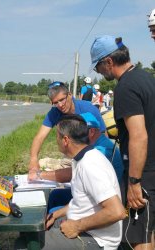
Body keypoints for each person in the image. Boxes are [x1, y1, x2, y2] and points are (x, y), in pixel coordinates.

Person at [90, 35, 155, 249]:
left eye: (98, 66)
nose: (99, 72)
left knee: (138, 238)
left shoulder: (125, 87)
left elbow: (139, 135)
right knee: (149, 229)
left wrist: (134, 183)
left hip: (143, 173)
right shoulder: (146, 78)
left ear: (109, 62)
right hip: (151, 168)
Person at [43, 114, 126, 250]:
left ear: (65, 140)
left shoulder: (90, 165)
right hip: (85, 228)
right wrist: (55, 215)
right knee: (37, 230)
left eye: (57, 136)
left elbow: (117, 212)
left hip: (97, 239)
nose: (56, 140)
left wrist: (76, 226)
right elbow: (81, 203)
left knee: (27, 244)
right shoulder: (80, 158)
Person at [28, 112, 124, 212]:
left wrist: (39, 174)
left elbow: (71, 173)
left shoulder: (100, 152)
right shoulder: (89, 149)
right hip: (93, 194)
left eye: (78, 131)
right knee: (55, 195)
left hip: (100, 201)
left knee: (53, 211)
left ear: (91, 132)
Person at [28, 81, 106, 174]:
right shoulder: (54, 112)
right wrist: (33, 159)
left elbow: (104, 135)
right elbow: (39, 137)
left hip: (93, 152)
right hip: (73, 152)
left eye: (62, 100)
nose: (60, 105)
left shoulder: (88, 109)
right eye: (55, 102)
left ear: (70, 95)